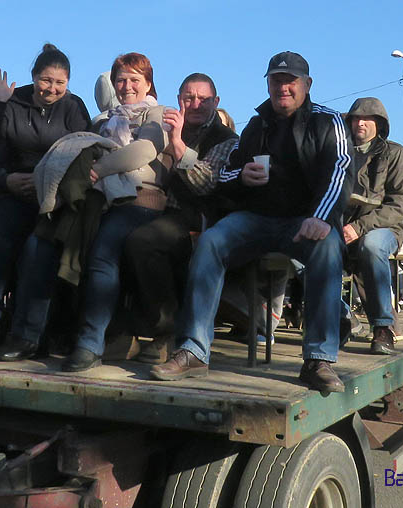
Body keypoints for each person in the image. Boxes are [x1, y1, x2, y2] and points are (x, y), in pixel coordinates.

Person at [149, 51, 356, 393]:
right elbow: (225, 174)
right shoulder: (256, 125)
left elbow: (340, 170)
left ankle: (319, 359)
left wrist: (320, 218)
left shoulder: (327, 121)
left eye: (290, 81)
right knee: (212, 241)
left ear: (307, 84)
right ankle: (193, 350)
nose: (283, 87)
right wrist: (243, 175)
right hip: (257, 218)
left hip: (304, 221)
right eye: (276, 80)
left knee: (328, 248)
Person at [0, 52, 170, 369]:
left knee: (103, 248)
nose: (127, 85)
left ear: (148, 84)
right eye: (121, 79)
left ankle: (90, 345)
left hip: (137, 199)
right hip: (92, 198)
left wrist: (99, 169)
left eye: (135, 79)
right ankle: (27, 336)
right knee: (40, 242)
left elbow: (145, 150)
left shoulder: (157, 115)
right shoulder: (103, 120)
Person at [0, 44, 91, 359]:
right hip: (14, 191)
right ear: (34, 77)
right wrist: (7, 181)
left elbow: (83, 154)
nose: (51, 89)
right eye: (45, 80)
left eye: (59, 83)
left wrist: (55, 187)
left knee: (37, 250)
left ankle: (26, 336)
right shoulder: (12, 103)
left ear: (68, 83)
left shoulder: (74, 109)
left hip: (53, 199)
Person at [120, 73, 239, 363]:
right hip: (151, 206)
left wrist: (178, 144)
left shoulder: (228, 140)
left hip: (198, 217)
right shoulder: (165, 124)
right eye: (189, 98)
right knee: (108, 233)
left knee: (144, 242)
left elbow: (205, 184)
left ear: (216, 102)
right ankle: (116, 331)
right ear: (179, 100)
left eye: (203, 99)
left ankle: (167, 330)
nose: (196, 104)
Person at [342, 97, 403, 355]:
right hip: (343, 224)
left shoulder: (396, 154)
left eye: (367, 118)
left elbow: (401, 204)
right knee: (307, 245)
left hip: (386, 226)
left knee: (371, 246)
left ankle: (383, 328)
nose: (360, 122)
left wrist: (360, 227)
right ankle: (342, 316)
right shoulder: (339, 152)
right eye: (355, 118)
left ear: (379, 124)